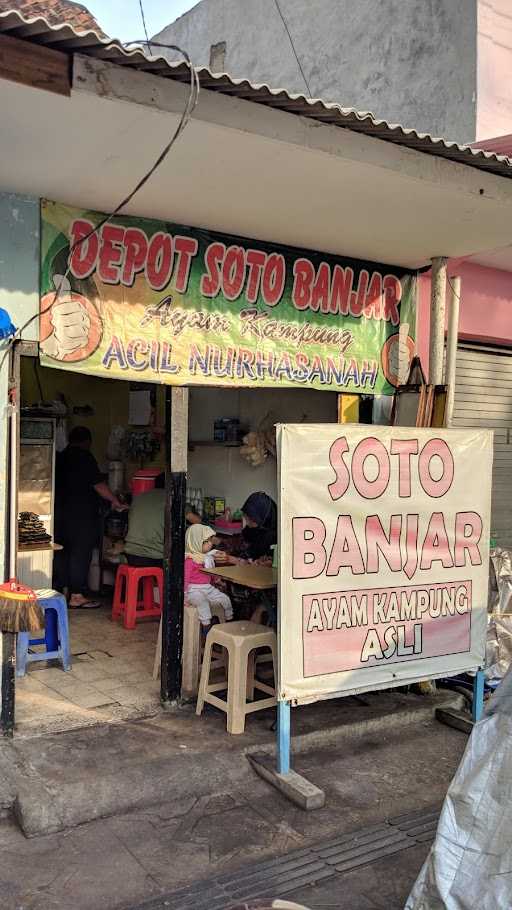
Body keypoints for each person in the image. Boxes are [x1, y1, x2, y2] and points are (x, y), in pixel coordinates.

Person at [53, 426, 126, 608]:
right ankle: (76, 596)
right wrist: (115, 501)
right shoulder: (85, 457)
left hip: (60, 515)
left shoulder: (60, 457)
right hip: (80, 517)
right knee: (80, 554)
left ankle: (61, 591)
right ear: (87, 441)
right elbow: (99, 485)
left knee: (62, 552)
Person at [125, 474, 202, 568]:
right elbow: (196, 521)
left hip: (130, 554)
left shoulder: (139, 497)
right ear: (173, 486)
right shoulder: (172, 500)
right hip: (154, 557)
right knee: (186, 561)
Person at [184, 524, 233, 631]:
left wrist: (218, 581)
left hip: (208, 588)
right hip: (193, 590)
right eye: (207, 541)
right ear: (196, 542)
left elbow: (211, 573)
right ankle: (207, 630)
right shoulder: (190, 560)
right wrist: (184, 596)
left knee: (226, 599)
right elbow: (185, 579)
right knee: (203, 604)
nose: (210, 543)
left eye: (211, 540)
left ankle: (228, 625)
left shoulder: (207, 558)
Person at [240, 492, 277, 562]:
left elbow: (255, 563)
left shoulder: (272, 537)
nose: (247, 523)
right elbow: (241, 546)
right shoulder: (251, 528)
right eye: (245, 516)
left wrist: (230, 559)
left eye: (252, 520)